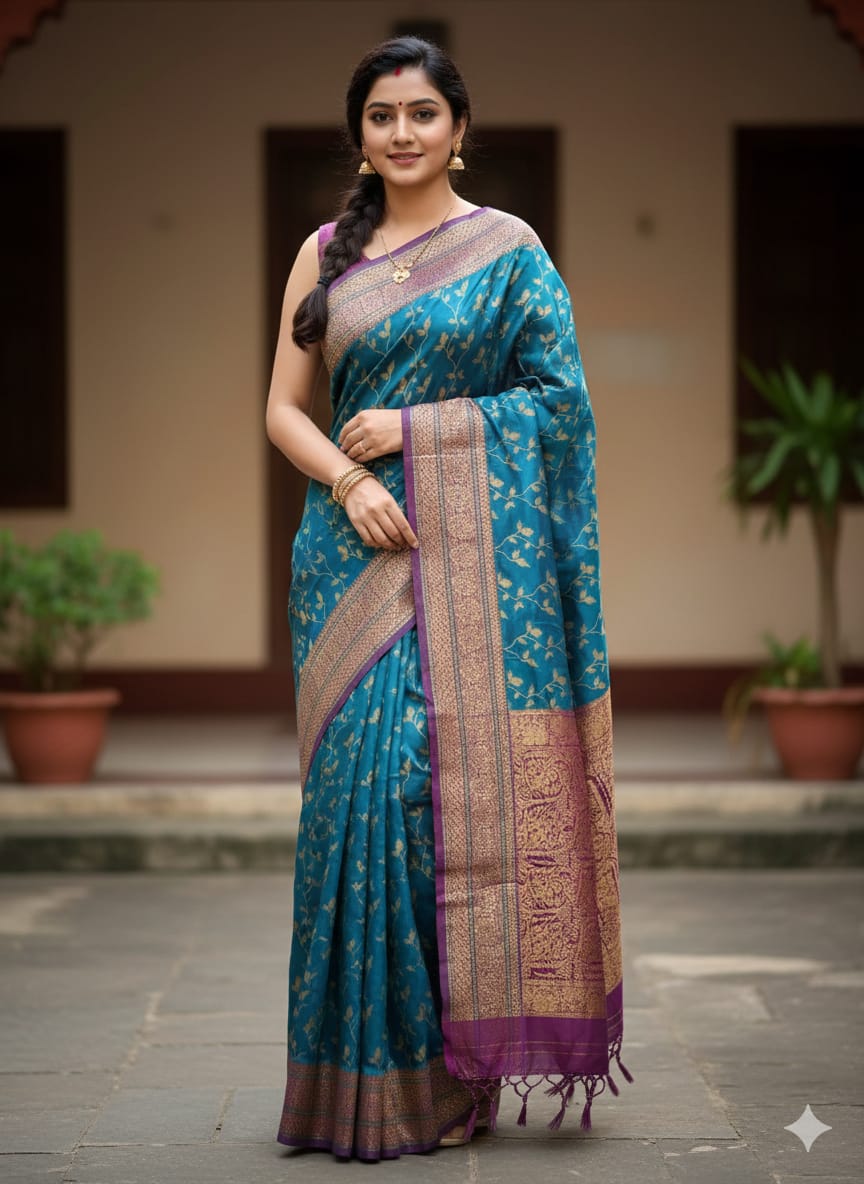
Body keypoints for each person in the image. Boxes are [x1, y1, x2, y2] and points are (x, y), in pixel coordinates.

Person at [265, 35, 632, 1162]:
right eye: (382, 115)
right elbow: (282, 410)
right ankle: (346, 1087)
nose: (403, 132)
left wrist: (418, 430)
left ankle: (440, 1077)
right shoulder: (323, 252)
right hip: (351, 559)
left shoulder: (511, 251)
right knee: (353, 813)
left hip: (472, 568)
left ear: (459, 129)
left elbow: (559, 406)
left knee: (429, 808)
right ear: (360, 135)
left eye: (423, 112)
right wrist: (349, 478)